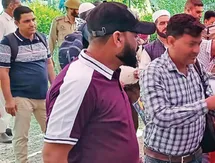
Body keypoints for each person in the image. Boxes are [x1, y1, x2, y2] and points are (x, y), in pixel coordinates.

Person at [42, 2, 156, 163]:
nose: (138, 42)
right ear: (118, 38)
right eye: (135, 36)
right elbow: (53, 156)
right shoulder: (80, 81)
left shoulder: (109, 73)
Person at [140, 13, 215, 163]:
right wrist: (206, 104)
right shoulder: (154, 72)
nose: (197, 50)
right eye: (191, 44)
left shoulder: (195, 66)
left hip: (195, 155)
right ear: (171, 41)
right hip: (163, 159)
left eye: (199, 43)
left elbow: (208, 93)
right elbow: (160, 116)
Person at [0, 6, 55, 163]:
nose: (32, 23)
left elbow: (49, 64)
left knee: (52, 132)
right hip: (21, 97)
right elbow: (3, 72)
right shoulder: (8, 42)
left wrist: (55, 87)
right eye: (26, 21)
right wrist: (9, 100)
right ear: (17, 23)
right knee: (21, 136)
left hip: (43, 96)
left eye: (33, 19)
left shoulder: (42, 38)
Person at [0, 0, 21, 143]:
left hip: (12, 64)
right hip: (3, 63)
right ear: (12, 5)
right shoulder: (1, 21)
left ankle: (5, 127)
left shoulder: (13, 21)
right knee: (3, 98)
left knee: (9, 94)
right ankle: (1, 131)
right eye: (18, 3)